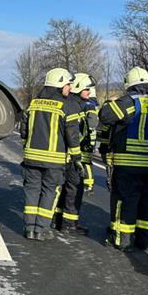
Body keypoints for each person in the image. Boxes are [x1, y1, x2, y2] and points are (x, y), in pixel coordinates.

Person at [99, 67, 148, 252]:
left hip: (129, 162)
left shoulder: (129, 102)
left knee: (125, 200)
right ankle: (146, 241)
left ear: (130, 85)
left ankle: (123, 240)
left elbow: (105, 116)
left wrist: (111, 103)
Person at [21, 68, 82, 241]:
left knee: (32, 192)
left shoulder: (33, 104)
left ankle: (29, 229)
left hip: (31, 158)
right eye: (68, 84)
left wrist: (26, 147)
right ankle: (41, 230)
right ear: (60, 85)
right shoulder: (66, 106)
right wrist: (76, 157)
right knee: (49, 193)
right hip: (54, 161)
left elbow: (24, 130)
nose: (70, 88)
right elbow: (72, 135)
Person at [53, 73, 96, 235]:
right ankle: (69, 224)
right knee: (74, 189)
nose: (89, 92)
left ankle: (58, 220)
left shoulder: (71, 102)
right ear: (78, 88)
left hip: (65, 154)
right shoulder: (76, 106)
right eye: (87, 89)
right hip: (72, 155)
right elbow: (75, 133)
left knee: (64, 188)